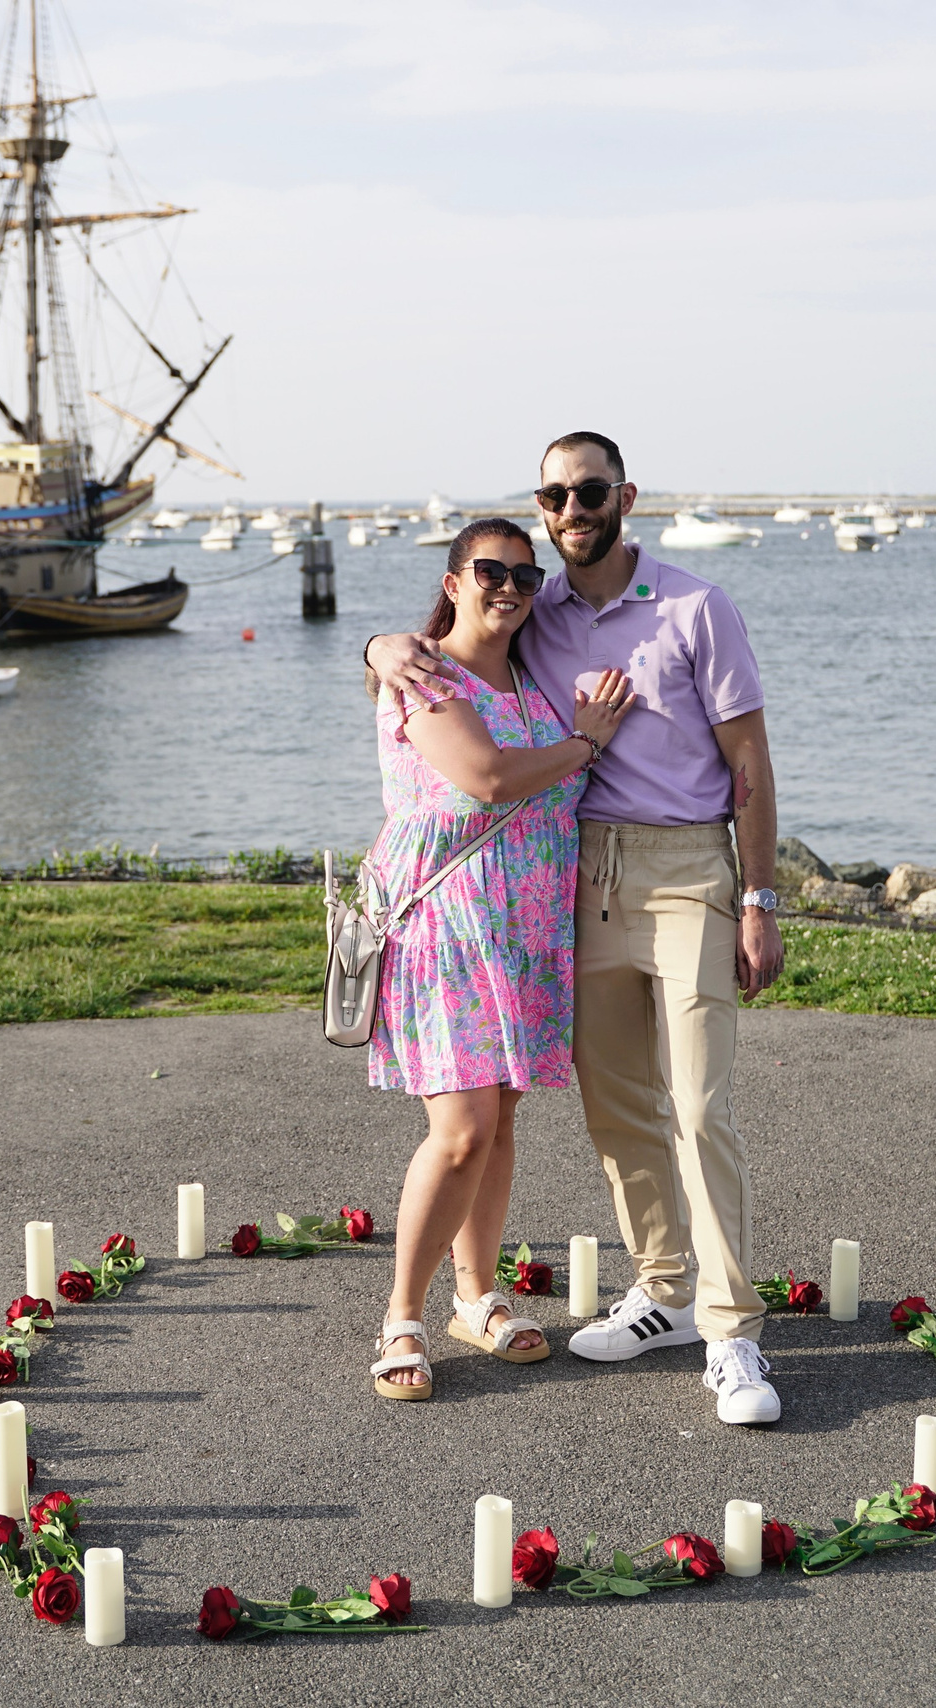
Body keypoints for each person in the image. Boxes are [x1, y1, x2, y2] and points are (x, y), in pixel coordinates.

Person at [367, 432, 788, 1426]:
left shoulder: (691, 606)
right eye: (552, 496)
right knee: (606, 1108)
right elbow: (460, 731)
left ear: (623, 496)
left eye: (587, 490)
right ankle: (660, 1288)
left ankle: (728, 1332)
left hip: (672, 871)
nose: (567, 512)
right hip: (547, 893)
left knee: (694, 1103)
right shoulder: (512, 630)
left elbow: (751, 762)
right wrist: (380, 645)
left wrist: (760, 897)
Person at [363, 517, 638, 1403]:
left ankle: (475, 1296)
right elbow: (484, 778)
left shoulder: (534, 679)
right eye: (490, 570)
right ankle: (402, 1314)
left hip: (526, 926)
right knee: (462, 1128)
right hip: (448, 924)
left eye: (525, 573)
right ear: (453, 581)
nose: (509, 586)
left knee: (501, 1119)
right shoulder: (421, 674)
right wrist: (588, 742)